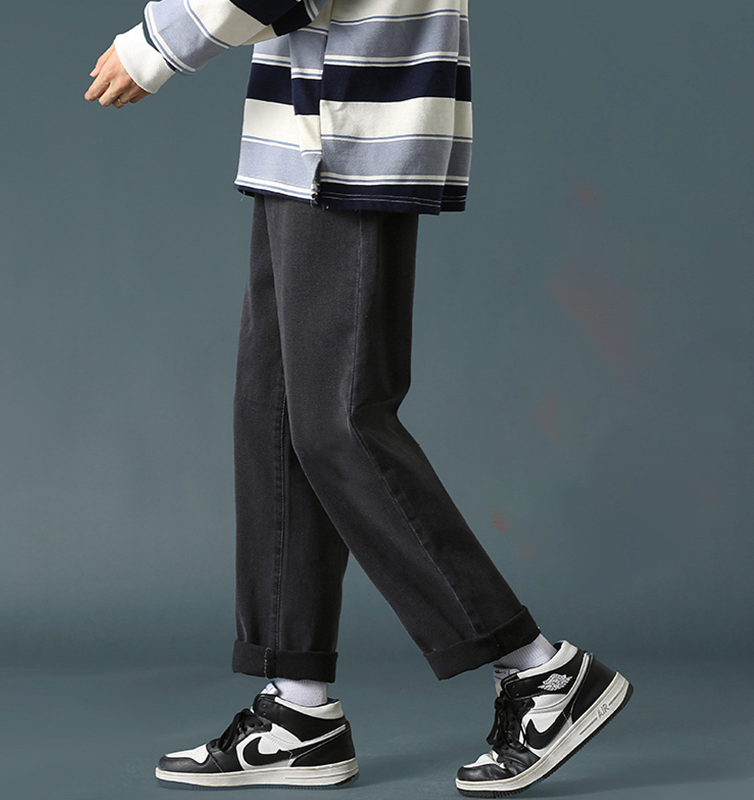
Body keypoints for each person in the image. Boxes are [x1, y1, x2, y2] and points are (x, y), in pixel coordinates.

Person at [85, 1, 632, 795]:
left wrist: (154, 46)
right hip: (308, 132)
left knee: (339, 424)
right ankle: (297, 711)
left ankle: (541, 669)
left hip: (349, 130)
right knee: (274, 416)